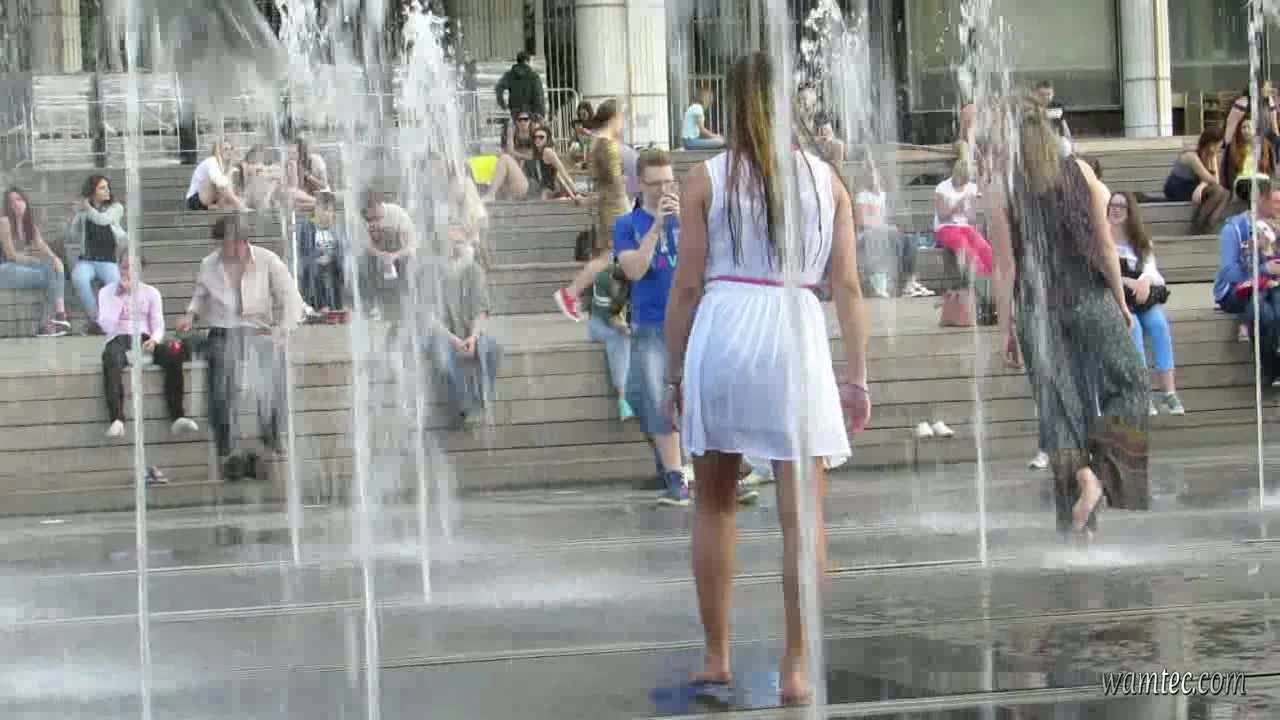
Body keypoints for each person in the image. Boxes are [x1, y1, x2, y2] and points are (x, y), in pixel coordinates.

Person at [664, 53, 871, 705]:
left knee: (714, 503)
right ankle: (796, 667)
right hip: (795, 333)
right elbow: (847, 286)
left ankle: (716, 656)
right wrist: (857, 375)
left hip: (723, 327)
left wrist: (673, 372)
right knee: (801, 515)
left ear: (729, 104)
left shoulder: (704, 178)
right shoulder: (827, 181)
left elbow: (686, 285)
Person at [989, 93, 1149, 538]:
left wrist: (1007, 330)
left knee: (1058, 405)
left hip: (1037, 308)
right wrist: (1120, 303)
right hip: (1089, 297)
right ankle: (1103, 475)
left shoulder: (1002, 188)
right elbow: (1106, 246)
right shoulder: (1080, 172)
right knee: (1131, 384)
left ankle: (1079, 503)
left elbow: (1006, 268)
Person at [176, 215, 304, 481]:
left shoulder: (267, 260)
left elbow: (291, 298)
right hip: (223, 329)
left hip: (259, 330)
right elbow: (200, 297)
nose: (224, 249)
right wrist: (190, 315)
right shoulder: (209, 264)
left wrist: (282, 331)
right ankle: (226, 445)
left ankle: (272, 436)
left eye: (229, 244)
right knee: (220, 377)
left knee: (274, 374)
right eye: (221, 244)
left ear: (243, 242)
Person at [98, 253, 198, 439]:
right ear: (118, 267)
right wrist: (119, 297)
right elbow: (107, 325)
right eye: (124, 267)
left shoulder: (151, 292)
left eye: (133, 268)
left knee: (173, 354)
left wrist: (155, 340)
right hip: (118, 337)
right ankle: (117, 419)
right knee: (111, 358)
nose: (128, 272)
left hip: (144, 337)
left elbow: (158, 324)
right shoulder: (106, 292)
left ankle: (178, 416)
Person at [1108, 191, 1184, 416]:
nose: (1116, 209)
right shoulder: (1102, 239)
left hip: (1140, 298)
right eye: (1112, 205)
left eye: (1121, 206)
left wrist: (1143, 281)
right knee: (1135, 329)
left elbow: (1152, 271)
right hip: (1115, 297)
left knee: (1159, 325)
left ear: (1130, 212)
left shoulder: (1140, 242)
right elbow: (1099, 272)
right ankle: (1142, 393)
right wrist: (1126, 281)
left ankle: (1169, 392)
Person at [553, 100, 629, 322]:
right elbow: (614, 184)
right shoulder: (607, 145)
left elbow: (604, 185)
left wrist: (589, 201)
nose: (624, 122)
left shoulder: (598, 143)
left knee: (609, 259)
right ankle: (572, 294)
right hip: (615, 209)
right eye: (622, 117)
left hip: (608, 208)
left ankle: (604, 306)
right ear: (614, 118)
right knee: (610, 259)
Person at [423, 223, 501, 428]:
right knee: (443, 358)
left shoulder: (474, 270)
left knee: (491, 349)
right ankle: (462, 405)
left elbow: (481, 310)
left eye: (460, 242)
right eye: (450, 243)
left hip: (469, 334)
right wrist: (454, 340)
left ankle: (482, 400)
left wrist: (473, 338)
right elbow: (429, 316)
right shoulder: (430, 272)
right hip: (440, 334)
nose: (456, 247)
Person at [1215, 180, 1280, 384]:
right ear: (1261, 199)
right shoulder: (1234, 228)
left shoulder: (1276, 228)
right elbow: (1229, 272)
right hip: (1236, 291)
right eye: (1276, 202)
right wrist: (1264, 270)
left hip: (1272, 288)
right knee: (1262, 309)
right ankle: (1271, 368)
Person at [853, 162, 930, 298]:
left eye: (875, 176)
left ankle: (910, 282)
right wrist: (884, 227)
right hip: (866, 234)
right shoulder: (862, 196)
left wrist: (888, 227)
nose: (873, 179)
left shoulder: (882, 196)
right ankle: (894, 281)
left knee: (909, 240)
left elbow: (883, 218)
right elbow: (861, 222)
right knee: (890, 238)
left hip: (882, 232)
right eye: (870, 176)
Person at [1, 187, 70, 337]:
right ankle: (58, 318)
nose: (16, 204)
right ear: (7, 206)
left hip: (20, 268)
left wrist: (55, 259)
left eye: (19, 199)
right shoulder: (4, 222)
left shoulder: (29, 225)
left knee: (54, 269)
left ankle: (53, 320)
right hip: (5, 270)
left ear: (25, 202)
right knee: (51, 273)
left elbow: (42, 245)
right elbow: (11, 255)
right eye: (11, 202)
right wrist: (38, 261)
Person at [66, 174, 126, 333]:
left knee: (115, 285)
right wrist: (73, 215)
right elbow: (72, 235)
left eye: (107, 187)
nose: (107, 190)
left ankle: (111, 320)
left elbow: (102, 220)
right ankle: (97, 319)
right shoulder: (84, 212)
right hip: (87, 260)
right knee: (79, 278)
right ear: (92, 192)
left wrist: (87, 208)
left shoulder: (116, 208)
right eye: (102, 188)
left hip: (108, 260)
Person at [357, 190, 417, 317]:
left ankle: (408, 303)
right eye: (368, 219)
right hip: (380, 254)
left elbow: (410, 246)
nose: (371, 221)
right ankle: (372, 304)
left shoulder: (397, 214)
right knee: (363, 260)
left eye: (373, 217)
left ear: (378, 205)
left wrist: (394, 256)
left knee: (408, 262)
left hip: (401, 253)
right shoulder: (365, 216)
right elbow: (365, 244)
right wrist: (382, 255)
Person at [1163, 128, 1231, 234]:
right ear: (1211, 144)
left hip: (1192, 186)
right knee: (1218, 191)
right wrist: (1203, 184)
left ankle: (1209, 224)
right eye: (1219, 145)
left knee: (1226, 193)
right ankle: (1197, 227)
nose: (1220, 148)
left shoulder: (1208, 155)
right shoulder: (1192, 156)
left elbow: (1215, 181)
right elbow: (1212, 180)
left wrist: (1201, 186)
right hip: (1177, 187)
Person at [934, 155, 992, 277]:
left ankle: (994, 276)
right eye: (960, 180)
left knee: (983, 247)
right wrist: (956, 207)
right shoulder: (942, 188)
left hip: (965, 227)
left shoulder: (971, 187)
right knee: (965, 247)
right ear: (955, 175)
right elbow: (941, 216)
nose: (962, 184)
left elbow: (972, 218)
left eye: (965, 181)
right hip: (945, 228)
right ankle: (981, 279)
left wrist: (972, 208)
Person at [296, 190, 347, 318]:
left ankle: (337, 306)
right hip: (313, 263)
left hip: (333, 262)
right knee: (316, 268)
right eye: (325, 209)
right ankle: (321, 306)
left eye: (330, 210)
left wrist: (331, 256)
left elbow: (343, 249)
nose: (328, 214)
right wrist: (318, 257)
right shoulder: (307, 226)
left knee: (339, 266)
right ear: (317, 209)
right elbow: (304, 251)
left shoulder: (337, 227)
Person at [1222, 116, 1275, 202]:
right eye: (1243, 127)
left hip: (1260, 180)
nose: (1246, 130)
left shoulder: (1264, 145)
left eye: (1249, 127)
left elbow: (1271, 169)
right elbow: (1227, 171)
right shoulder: (1233, 146)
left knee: (1258, 183)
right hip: (1241, 182)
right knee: (1250, 185)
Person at [185, 140, 244, 211]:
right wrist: (237, 202)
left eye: (231, 148)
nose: (229, 151)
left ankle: (217, 207)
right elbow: (221, 184)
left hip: (211, 199)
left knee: (231, 176)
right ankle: (237, 205)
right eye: (225, 149)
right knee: (217, 181)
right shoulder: (212, 161)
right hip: (195, 200)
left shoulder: (226, 165)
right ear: (218, 151)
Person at [494, 51, 546, 120]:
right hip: (531, 110)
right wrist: (541, 113)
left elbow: (498, 88)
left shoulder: (510, 75)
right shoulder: (534, 76)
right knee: (530, 126)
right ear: (527, 61)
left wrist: (502, 104)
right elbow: (538, 95)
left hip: (515, 110)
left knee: (518, 126)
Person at [285, 136, 329, 212]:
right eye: (290, 153)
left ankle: (321, 206)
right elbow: (295, 189)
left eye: (294, 153)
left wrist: (308, 176)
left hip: (321, 194)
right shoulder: (292, 164)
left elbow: (324, 185)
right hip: (305, 198)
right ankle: (318, 207)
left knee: (294, 203)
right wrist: (293, 168)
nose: (291, 156)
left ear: (303, 152)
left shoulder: (316, 160)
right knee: (291, 200)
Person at [1033, 80, 1072, 155]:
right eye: (1042, 95)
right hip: (1040, 141)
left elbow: (1064, 126)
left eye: (1048, 94)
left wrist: (1071, 144)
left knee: (1065, 147)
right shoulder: (1032, 107)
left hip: (1057, 139)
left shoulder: (1058, 106)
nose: (1045, 97)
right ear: (1035, 95)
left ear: (1053, 94)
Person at [681, 86, 726, 150]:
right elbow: (702, 131)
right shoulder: (697, 108)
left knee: (720, 140)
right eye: (710, 98)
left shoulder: (694, 107)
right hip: (690, 142)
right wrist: (717, 136)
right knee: (721, 142)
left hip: (690, 141)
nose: (712, 101)